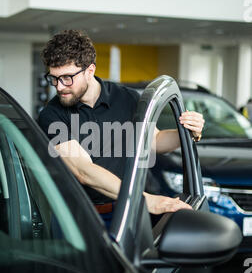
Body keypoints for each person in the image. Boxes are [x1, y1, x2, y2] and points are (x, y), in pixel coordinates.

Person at [38, 30, 204, 230]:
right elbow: (83, 170)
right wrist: (146, 200)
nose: (59, 86)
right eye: (53, 78)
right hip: (77, 218)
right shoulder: (51, 115)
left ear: (90, 71)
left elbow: (154, 140)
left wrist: (187, 133)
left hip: (126, 211)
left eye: (66, 78)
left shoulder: (127, 98)